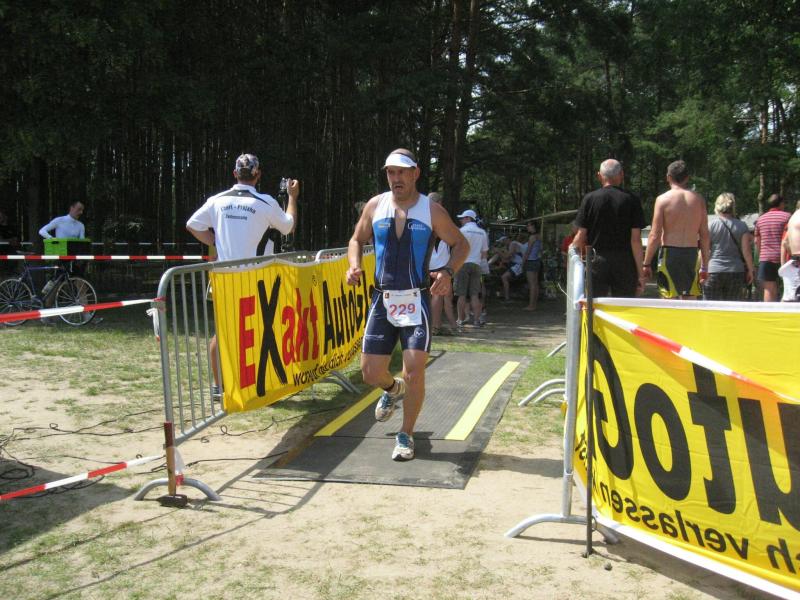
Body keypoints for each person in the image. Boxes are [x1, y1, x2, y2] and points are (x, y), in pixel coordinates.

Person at [346, 148, 468, 461]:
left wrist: (448, 271)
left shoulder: (431, 210)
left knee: (414, 370)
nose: (396, 178)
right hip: (382, 299)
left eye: (402, 172)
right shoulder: (376, 205)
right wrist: (354, 265)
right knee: (370, 373)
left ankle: (406, 434)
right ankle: (392, 389)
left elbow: (460, 244)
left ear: (415, 173)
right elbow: (357, 239)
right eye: (391, 172)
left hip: (416, 299)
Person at [187, 153, 299, 392]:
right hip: (255, 278)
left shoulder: (216, 200)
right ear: (258, 175)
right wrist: (292, 197)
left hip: (224, 277)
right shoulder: (265, 202)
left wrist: (215, 242)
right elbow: (288, 227)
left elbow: (192, 225)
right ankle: (258, 384)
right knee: (262, 331)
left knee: (223, 331)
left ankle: (219, 386)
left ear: (235, 174)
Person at [571, 159, 645, 297]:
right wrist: (641, 274)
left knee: (594, 305)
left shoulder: (589, 199)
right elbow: (636, 240)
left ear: (599, 176)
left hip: (596, 260)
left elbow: (580, 236)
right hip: (625, 262)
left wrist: (572, 258)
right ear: (621, 175)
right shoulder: (632, 200)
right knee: (624, 305)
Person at [642, 160, 709, 300]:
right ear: (687, 178)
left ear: (668, 177)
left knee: (668, 300)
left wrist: (646, 263)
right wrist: (705, 266)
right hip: (691, 254)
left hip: (670, 254)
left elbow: (655, 235)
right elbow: (704, 235)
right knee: (690, 301)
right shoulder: (698, 200)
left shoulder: (663, 200)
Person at [702, 193, 754, 301]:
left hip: (714, 270)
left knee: (710, 306)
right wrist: (750, 270)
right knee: (732, 307)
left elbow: (705, 250)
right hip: (735, 271)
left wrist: (703, 268)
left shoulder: (710, 225)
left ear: (717, 206)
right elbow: (746, 251)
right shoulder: (742, 226)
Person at [427, 192, 458, 335]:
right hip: (439, 264)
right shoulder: (439, 217)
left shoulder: (421, 217)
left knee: (434, 295)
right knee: (438, 295)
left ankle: (436, 326)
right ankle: (435, 327)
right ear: (438, 203)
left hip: (428, 263)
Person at [454, 209, 489, 328]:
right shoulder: (482, 232)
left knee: (461, 295)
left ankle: (460, 320)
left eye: (462, 218)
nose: (461, 220)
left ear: (468, 218)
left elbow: (456, 248)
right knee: (475, 294)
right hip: (477, 265)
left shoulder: (462, 231)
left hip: (463, 264)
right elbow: (484, 253)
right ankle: (477, 321)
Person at [754, 193, 791, 302]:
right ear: (781, 204)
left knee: (769, 289)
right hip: (784, 258)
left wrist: (760, 257)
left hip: (766, 259)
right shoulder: (787, 217)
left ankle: (768, 311)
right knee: (788, 289)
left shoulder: (760, 219)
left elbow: (757, 241)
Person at [778, 206, 800, 302]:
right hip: (797, 265)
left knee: (791, 300)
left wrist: (783, 266)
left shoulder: (794, 217)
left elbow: (785, 242)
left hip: (794, 264)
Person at [521, 221, 542, 310]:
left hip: (531, 261)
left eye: (529, 225)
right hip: (537, 260)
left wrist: (523, 262)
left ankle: (531, 305)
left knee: (532, 284)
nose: (527, 227)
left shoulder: (532, 237)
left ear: (533, 226)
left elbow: (528, 251)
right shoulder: (539, 236)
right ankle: (534, 304)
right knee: (535, 284)